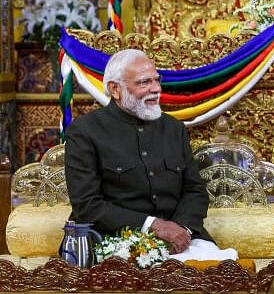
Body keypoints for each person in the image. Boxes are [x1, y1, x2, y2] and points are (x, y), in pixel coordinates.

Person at [65, 49, 237, 261]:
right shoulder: (85, 131)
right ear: (115, 89)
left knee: (221, 273)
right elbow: (87, 205)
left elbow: (195, 190)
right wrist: (153, 226)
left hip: (181, 240)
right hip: (115, 240)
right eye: (144, 82)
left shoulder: (174, 129)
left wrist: (181, 231)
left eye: (157, 80)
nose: (156, 89)